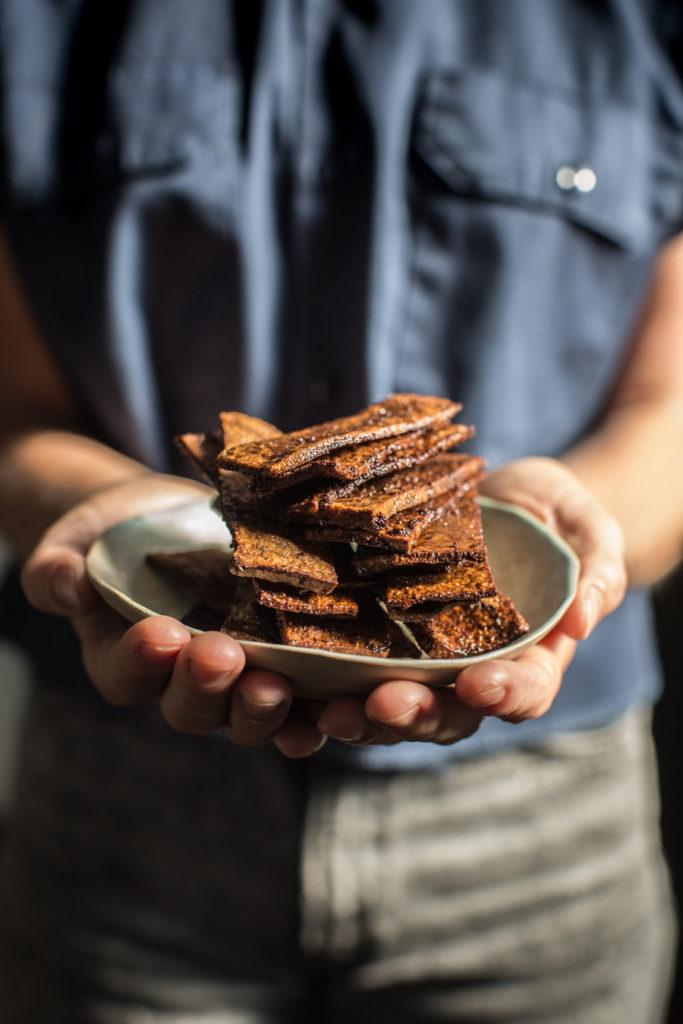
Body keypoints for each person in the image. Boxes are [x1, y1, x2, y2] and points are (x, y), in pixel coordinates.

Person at [0, 1, 682, 1020]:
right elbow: (15, 406)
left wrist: (581, 533)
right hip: (122, 812)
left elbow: (667, 406)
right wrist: (90, 504)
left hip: (542, 831)